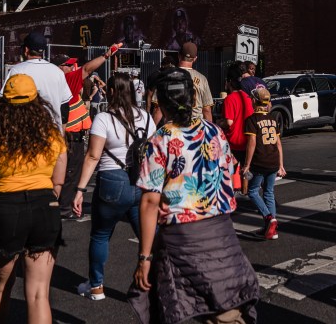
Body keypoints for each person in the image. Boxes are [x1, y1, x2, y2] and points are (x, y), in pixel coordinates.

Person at [131, 67, 259, 323]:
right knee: (223, 301)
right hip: (221, 231)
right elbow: (227, 175)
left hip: (183, 236)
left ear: (161, 104)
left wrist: (144, 257)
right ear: (193, 98)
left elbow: (149, 202)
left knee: (178, 303)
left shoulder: (160, 140)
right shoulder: (214, 132)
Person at [0, 74, 67, 324]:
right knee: (39, 294)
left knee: (0, 286)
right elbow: (58, 182)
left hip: (5, 208)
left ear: (4, 102)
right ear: (36, 101)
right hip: (45, 207)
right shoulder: (53, 134)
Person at [73, 72, 155, 301]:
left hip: (111, 180)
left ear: (110, 91)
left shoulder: (103, 118)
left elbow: (93, 156)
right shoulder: (146, 117)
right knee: (146, 236)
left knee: (100, 235)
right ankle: (149, 283)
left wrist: (80, 190)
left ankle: (96, 286)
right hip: (140, 181)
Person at [51, 45, 121, 218]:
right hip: (70, 137)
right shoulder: (67, 80)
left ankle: (60, 206)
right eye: (68, 65)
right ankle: (64, 209)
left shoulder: (58, 82)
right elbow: (87, 69)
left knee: (66, 173)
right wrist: (106, 55)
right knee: (70, 173)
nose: (72, 67)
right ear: (59, 68)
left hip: (68, 135)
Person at [1, 31, 72, 130]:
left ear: (26, 50)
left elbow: (4, 102)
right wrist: (61, 132)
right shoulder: (57, 71)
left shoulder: (17, 70)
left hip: (24, 132)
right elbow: (64, 106)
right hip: (52, 132)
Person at [243, 87, 285, 240]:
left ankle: (269, 218)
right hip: (274, 160)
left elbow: (252, 143)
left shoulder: (251, 120)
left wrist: (247, 164)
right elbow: (278, 143)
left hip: (260, 161)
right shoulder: (273, 119)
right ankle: (272, 229)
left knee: (253, 191)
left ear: (254, 101)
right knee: (268, 192)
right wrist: (281, 164)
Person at [222, 63, 253, 194]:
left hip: (233, 141)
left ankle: (230, 193)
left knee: (230, 169)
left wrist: (219, 123)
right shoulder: (247, 97)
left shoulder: (229, 99)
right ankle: (245, 191)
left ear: (229, 82)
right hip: (247, 139)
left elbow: (229, 122)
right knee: (246, 167)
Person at [177, 42, 213, 122]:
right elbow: (207, 110)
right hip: (196, 124)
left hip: (174, 124)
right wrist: (209, 127)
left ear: (179, 56)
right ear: (195, 59)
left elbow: (158, 109)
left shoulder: (167, 77)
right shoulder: (202, 79)